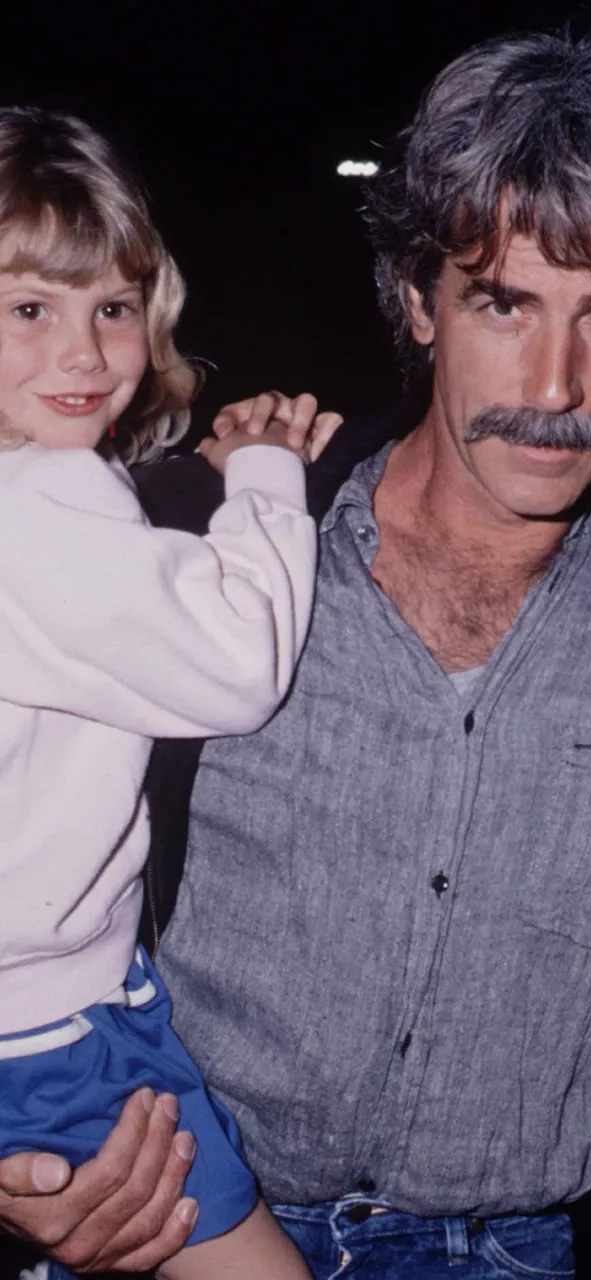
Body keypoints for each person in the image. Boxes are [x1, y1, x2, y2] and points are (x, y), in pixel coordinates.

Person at [0, 30, 591, 1280]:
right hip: (169, 1214)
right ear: (419, 302)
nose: (556, 381)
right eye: (505, 302)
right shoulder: (187, 540)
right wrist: (13, 1170)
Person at [0, 109, 332, 1277]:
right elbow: (237, 663)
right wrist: (265, 478)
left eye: (114, 307)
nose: (83, 355)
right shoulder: (41, 501)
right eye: (29, 308)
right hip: (52, 1036)